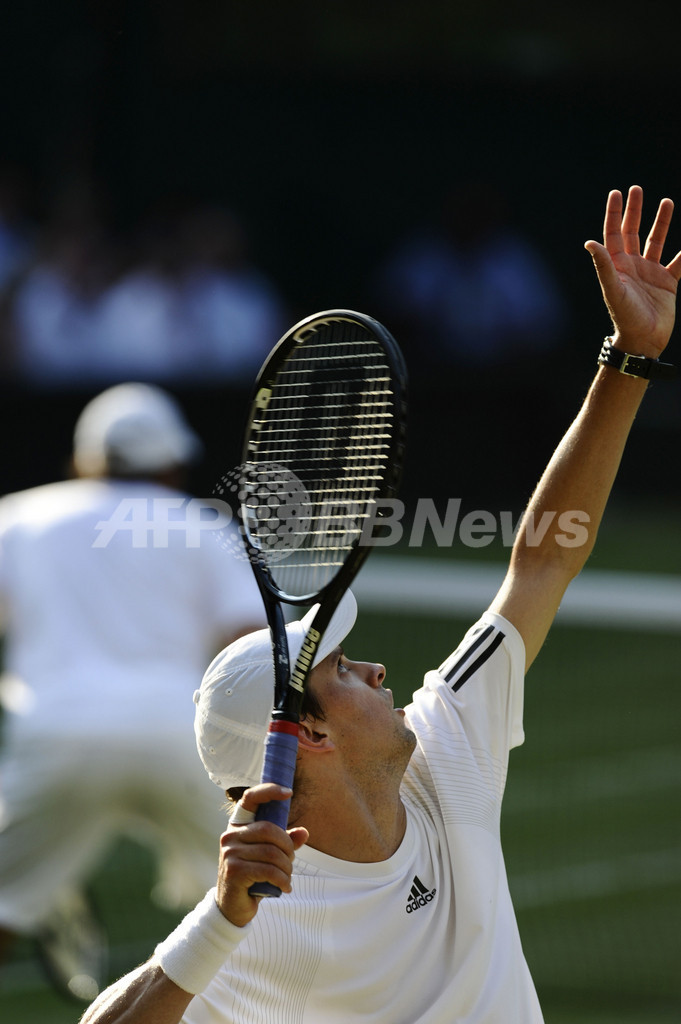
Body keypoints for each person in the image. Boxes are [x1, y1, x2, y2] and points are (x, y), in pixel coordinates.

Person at [78, 186, 681, 1023]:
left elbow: (540, 564)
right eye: (345, 671)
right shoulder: (261, 922)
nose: (377, 667)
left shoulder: (445, 747)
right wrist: (219, 920)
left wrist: (629, 358)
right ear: (309, 736)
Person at [0, 382, 266, 999]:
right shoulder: (203, 528)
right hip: (184, 742)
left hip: (56, 735)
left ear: (83, 456)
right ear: (172, 460)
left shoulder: (18, 517)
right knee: (253, 905)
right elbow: (252, 647)